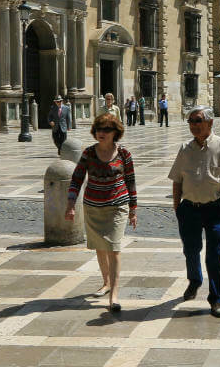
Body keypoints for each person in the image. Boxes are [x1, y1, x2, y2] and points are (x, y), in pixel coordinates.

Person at [168, 106, 220, 319]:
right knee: (191, 250)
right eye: (190, 121)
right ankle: (195, 280)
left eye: (198, 120)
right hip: (189, 209)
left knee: (215, 256)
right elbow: (177, 180)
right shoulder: (185, 148)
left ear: (210, 123)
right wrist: (176, 207)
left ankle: (216, 299)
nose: (194, 125)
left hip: (215, 209)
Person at [65, 113, 137, 312]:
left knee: (113, 247)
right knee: (100, 246)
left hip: (117, 205)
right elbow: (76, 179)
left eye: (106, 129)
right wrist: (71, 204)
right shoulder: (88, 153)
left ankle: (114, 294)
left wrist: (133, 209)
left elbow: (130, 181)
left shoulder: (124, 154)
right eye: (98, 129)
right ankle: (106, 282)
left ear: (116, 133)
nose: (101, 133)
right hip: (93, 206)